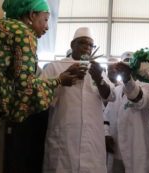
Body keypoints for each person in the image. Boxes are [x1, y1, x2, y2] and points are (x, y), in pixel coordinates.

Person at [0, 0, 78, 172]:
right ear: (31, 15)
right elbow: (26, 85)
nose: (47, 27)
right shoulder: (24, 33)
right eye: (45, 19)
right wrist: (59, 81)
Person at [42, 27, 115, 173]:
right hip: (64, 140)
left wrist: (99, 79)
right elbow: (40, 94)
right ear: (72, 45)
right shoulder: (55, 67)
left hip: (91, 142)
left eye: (91, 45)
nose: (87, 48)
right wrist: (62, 79)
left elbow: (111, 96)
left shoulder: (96, 69)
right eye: (83, 43)